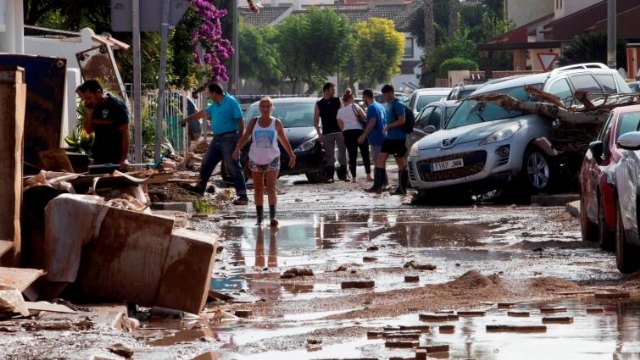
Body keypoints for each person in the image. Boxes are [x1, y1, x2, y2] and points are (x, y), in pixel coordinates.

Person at [181, 82, 249, 205]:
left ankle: (242, 195)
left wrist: (239, 141)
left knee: (233, 166)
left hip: (229, 138)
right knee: (207, 162)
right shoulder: (215, 104)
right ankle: (200, 189)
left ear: (214, 93)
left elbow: (240, 120)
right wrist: (187, 119)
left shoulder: (231, 102)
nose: (208, 95)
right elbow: (203, 113)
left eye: (209, 93)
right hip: (217, 139)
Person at [233, 97, 296, 226]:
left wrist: (291, 155)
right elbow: (245, 136)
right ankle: (260, 218)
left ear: (271, 108)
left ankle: (273, 217)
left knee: (271, 187)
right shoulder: (254, 122)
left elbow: (283, 140)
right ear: (260, 108)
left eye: (268, 106)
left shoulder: (276, 123)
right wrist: (237, 149)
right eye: (263, 106)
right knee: (258, 188)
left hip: (272, 159)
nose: (265, 109)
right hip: (255, 159)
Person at [76, 80, 130, 168]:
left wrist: (124, 158)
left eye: (89, 98)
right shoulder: (93, 107)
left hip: (115, 157)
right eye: (85, 99)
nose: (88, 101)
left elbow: (125, 133)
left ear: (98, 92)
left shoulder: (116, 106)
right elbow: (88, 130)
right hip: (99, 157)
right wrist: (89, 115)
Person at [367, 84, 408, 195]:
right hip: (389, 138)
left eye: (385, 95)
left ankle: (402, 188)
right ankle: (377, 186)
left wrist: (389, 126)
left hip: (398, 138)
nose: (384, 97)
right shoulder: (389, 103)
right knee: (380, 158)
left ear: (390, 93)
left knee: (400, 161)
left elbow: (402, 120)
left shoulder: (398, 104)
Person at [314, 82, 349, 182]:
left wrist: (344, 129)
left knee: (342, 153)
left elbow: (343, 116)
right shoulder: (319, 104)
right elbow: (316, 120)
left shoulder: (338, 101)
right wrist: (319, 134)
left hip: (339, 132)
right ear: (326, 90)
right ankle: (330, 176)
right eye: (332, 89)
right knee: (330, 155)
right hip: (327, 133)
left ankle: (343, 175)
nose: (334, 91)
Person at [336, 89, 372, 183]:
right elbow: (364, 116)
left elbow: (341, 126)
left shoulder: (339, 112)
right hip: (359, 131)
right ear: (351, 98)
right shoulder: (355, 106)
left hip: (347, 133)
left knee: (352, 156)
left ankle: (354, 178)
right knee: (365, 154)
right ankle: (368, 175)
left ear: (343, 101)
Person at [359, 88, 388, 191]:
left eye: (363, 98)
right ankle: (384, 183)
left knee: (376, 161)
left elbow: (372, 122)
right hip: (383, 137)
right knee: (381, 161)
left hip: (376, 138)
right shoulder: (380, 106)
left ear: (366, 97)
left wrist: (363, 135)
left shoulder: (371, 107)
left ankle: (377, 185)